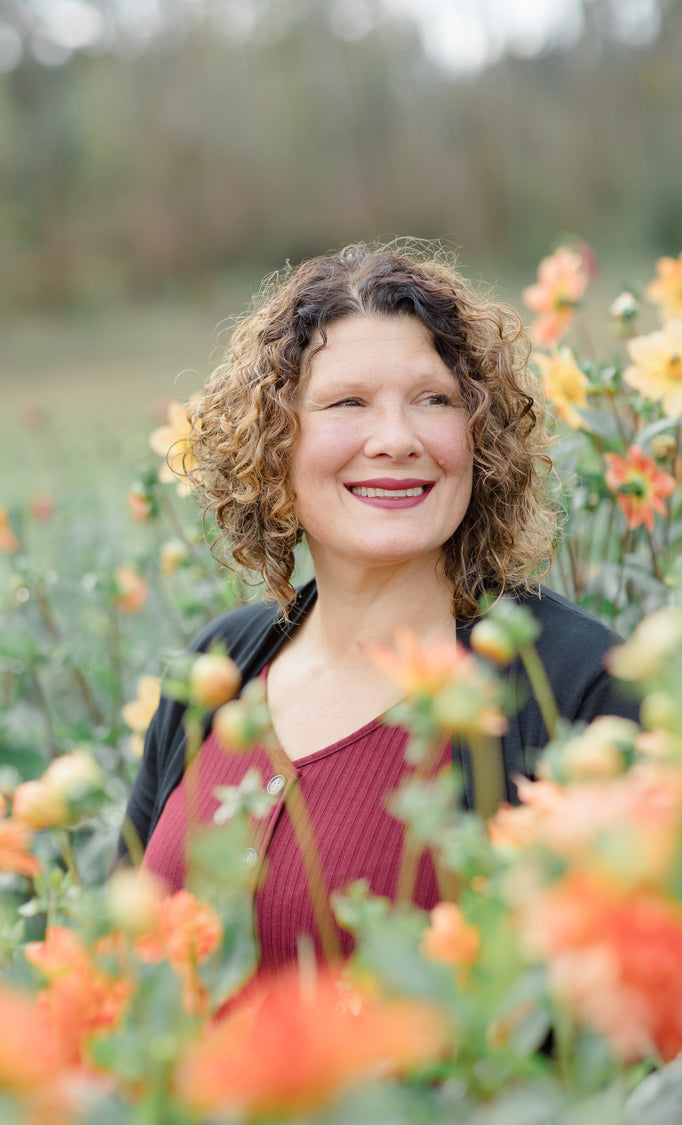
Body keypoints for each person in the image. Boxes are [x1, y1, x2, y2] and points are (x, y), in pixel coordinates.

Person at [119, 241, 638, 971]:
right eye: (347, 403)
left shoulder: (579, 685)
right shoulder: (218, 667)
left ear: (481, 436)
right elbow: (113, 963)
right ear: (275, 442)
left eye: (436, 400)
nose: (396, 440)